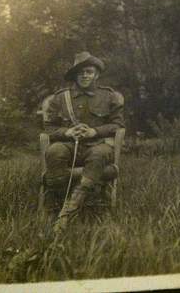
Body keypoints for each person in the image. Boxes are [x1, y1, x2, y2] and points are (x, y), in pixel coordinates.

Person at [43, 51, 124, 234]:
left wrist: (95, 131)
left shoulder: (108, 96)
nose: (85, 75)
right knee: (54, 151)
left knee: (99, 154)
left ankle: (67, 213)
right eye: (81, 73)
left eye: (89, 71)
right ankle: (56, 205)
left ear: (96, 74)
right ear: (74, 76)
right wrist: (68, 132)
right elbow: (49, 127)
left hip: (97, 144)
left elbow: (118, 124)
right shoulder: (61, 97)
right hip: (68, 145)